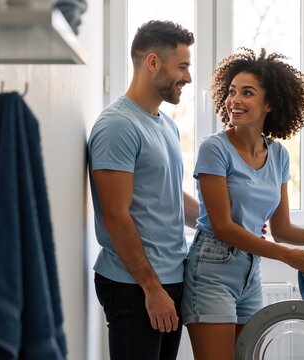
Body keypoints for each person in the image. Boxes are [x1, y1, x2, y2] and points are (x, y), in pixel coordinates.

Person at [181, 48, 304, 360]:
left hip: (249, 273)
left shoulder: (278, 155)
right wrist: (285, 256)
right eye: (231, 92)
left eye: (247, 93)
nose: (234, 101)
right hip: (211, 268)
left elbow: (282, 228)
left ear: (269, 104)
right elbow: (224, 227)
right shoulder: (214, 150)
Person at [87, 20, 199, 360]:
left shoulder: (164, 124)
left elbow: (167, 195)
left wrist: (224, 221)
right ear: (153, 62)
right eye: (182, 66)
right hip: (133, 286)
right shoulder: (118, 126)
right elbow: (115, 215)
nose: (188, 78)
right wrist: (151, 288)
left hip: (169, 278)